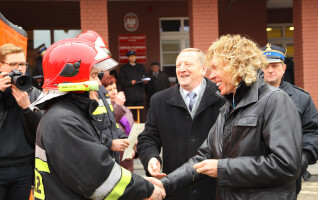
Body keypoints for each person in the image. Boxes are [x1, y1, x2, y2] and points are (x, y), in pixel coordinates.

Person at [149, 35, 303, 200]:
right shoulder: (227, 107)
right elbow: (203, 157)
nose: (211, 75)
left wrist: (223, 168)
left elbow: (286, 166)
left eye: (216, 68)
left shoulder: (275, 100)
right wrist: (164, 184)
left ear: (236, 66)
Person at [32, 38, 165, 200]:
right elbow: (99, 176)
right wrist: (146, 189)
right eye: (94, 75)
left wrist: (141, 182)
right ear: (74, 76)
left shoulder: (64, 114)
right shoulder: (63, 121)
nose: (99, 83)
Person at [137, 48, 225, 200]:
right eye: (178, 65)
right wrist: (152, 157)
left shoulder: (223, 97)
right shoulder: (159, 100)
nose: (182, 69)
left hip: (214, 189)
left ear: (203, 69)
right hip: (176, 189)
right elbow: (148, 138)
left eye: (188, 64)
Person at [262, 43, 318, 195]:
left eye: (275, 66)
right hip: (254, 171)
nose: (270, 70)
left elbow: (315, 130)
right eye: (265, 66)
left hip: (288, 175)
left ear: (283, 69)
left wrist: (304, 157)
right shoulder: (248, 97)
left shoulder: (301, 98)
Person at [76, 30, 132, 167]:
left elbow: (109, 123)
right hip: (95, 160)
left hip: (109, 158)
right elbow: (85, 130)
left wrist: (123, 138)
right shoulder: (81, 91)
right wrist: (110, 143)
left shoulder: (100, 87)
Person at [0, 43, 42, 200]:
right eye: (13, 64)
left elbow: (43, 128)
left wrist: (27, 108)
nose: (19, 68)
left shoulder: (34, 92)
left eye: (22, 64)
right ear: (1, 65)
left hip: (23, 169)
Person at [101, 73, 135, 172]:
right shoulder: (102, 108)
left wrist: (134, 150)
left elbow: (132, 132)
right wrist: (118, 106)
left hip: (128, 158)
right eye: (109, 90)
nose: (114, 92)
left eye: (115, 88)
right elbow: (108, 123)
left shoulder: (125, 109)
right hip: (114, 159)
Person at [118, 50, 147, 121]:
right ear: (128, 58)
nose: (133, 57)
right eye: (131, 56)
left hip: (139, 95)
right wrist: (130, 82)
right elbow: (121, 81)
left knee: (139, 114)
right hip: (129, 95)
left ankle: (139, 128)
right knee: (129, 113)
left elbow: (144, 77)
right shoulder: (124, 68)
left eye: (134, 56)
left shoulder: (140, 67)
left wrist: (145, 81)